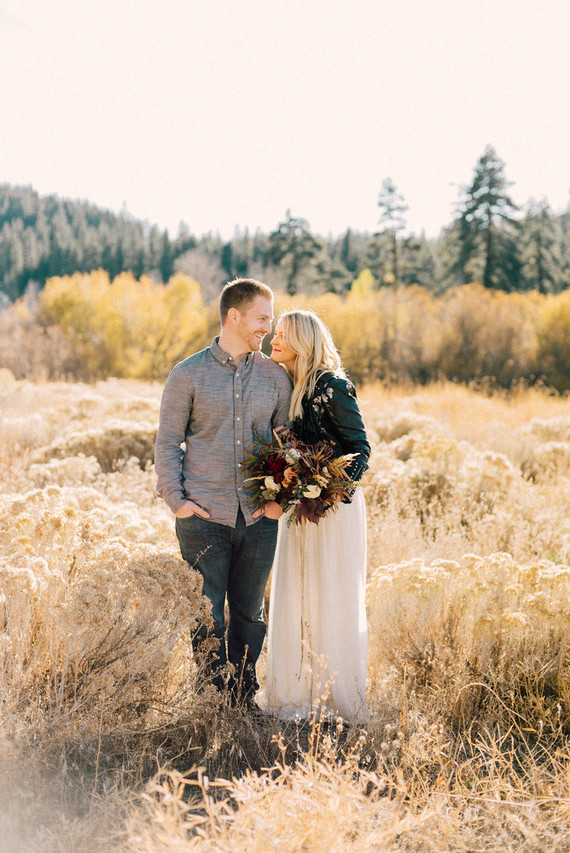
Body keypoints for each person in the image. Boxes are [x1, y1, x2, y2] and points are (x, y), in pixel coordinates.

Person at [154, 278, 292, 705]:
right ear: (234, 316)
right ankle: (211, 700)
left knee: (249, 614)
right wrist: (178, 503)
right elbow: (166, 442)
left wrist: (277, 504)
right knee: (207, 616)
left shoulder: (275, 378)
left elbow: (289, 445)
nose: (267, 329)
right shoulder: (188, 374)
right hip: (202, 518)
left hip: (258, 517)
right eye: (262, 318)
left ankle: (243, 696)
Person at [257, 309, 371, 723]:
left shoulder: (332, 386)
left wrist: (326, 491)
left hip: (333, 509)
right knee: (296, 590)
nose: (273, 340)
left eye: (281, 335)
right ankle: (294, 690)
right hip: (300, 506)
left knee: (329, 591)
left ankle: (332, 694)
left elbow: (361, 450)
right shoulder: (290, 383)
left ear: (302, 340)